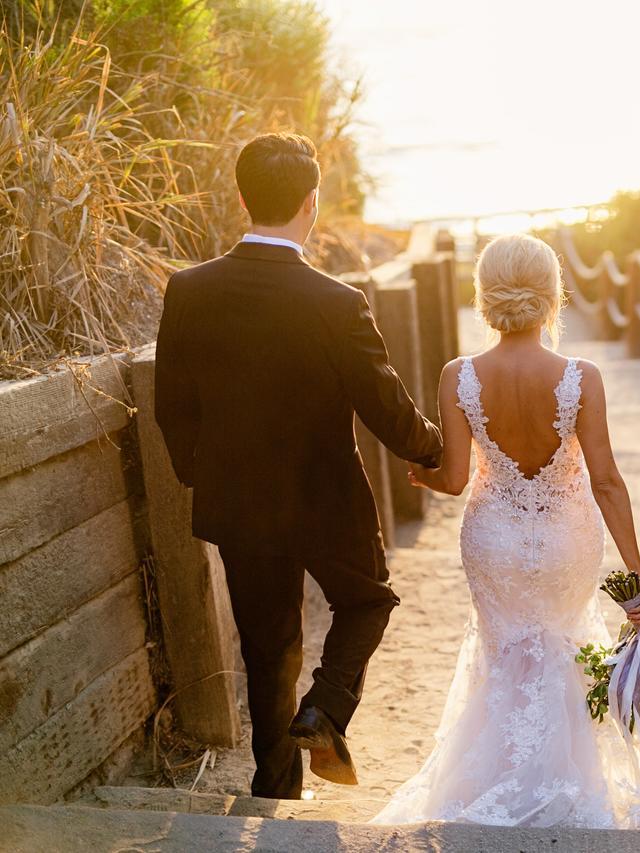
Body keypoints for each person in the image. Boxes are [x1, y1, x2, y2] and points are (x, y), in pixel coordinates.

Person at [154, 132, 443, 799]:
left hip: (237, 503)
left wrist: (206, 474)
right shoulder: (336, 303)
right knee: (368, 598)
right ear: (311, 204)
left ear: (241, 197)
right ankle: (326, 707)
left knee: (267, 644)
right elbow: (386, 407)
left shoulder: (189, 290)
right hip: (328, 500)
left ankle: (275, 786)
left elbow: (174, 407)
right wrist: (435, 450)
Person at [370, 233, 640, 828]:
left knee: (502, 654)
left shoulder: (460, 376)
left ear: (483, 296)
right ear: (553, 295)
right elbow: (605, 480)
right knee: (564, 644)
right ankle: (569, 783)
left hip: (494, 537)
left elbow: (453, 479)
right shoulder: (582, 376)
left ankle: (490, 781)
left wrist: (424, 479)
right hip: (565, 538)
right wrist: (637, 578)